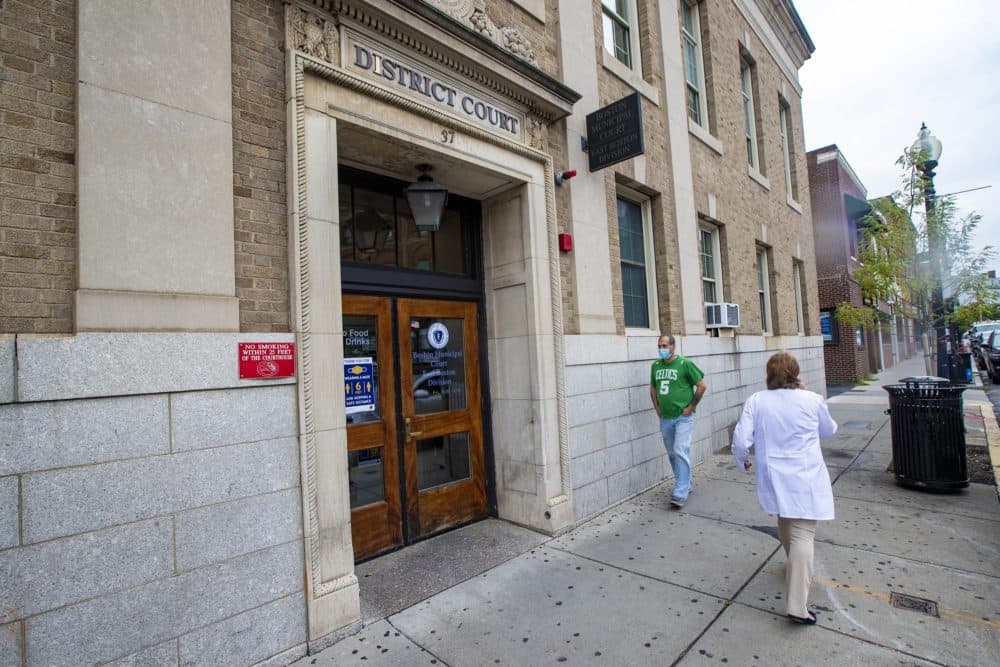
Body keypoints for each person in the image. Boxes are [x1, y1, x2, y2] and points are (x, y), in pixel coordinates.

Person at [731, 351, 838, 625]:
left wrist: (742, 460)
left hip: (773, 473)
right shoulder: (812, 400)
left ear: (769, 374)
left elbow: (742, 439)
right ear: (796, 373)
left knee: (785, 519)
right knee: (803, 532)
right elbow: (828, 430)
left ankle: (795, 565)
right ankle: (797, 606)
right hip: (804, 474)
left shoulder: (757, 400)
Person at [649, 334, 707, 508]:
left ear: (673, 346)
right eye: (660, 346)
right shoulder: (656, 366)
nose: (662, 349)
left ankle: (680, 491)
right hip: (665, 417)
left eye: (665, 345)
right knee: (673, 453)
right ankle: (685, 483)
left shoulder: (685, 364)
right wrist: (657, 408)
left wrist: (691, 407)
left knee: (680, 449)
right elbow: (653, 389)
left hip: (683, 417)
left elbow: (702, 386)